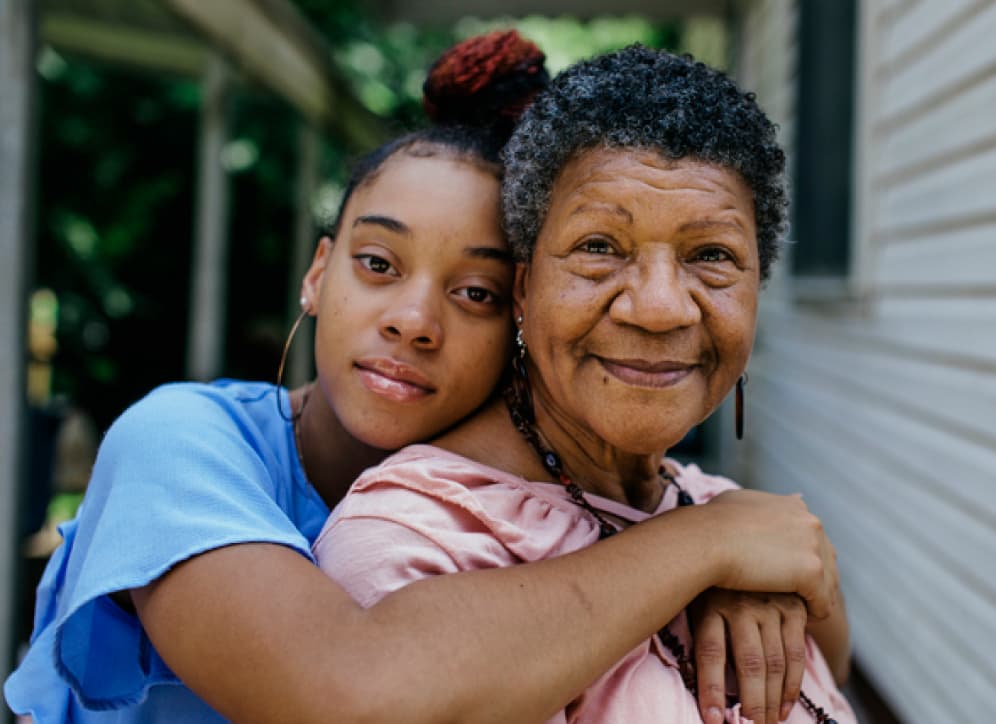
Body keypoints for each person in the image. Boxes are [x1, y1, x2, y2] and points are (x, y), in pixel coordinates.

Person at [5, 34, 840, 724]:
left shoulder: (567, 494)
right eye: (377, 263)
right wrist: (709, 543)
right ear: (317, 273)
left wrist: (746, 580)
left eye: (473, 291)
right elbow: (348, 689)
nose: (413, 319)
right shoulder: (186, 443)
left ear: (520, 309)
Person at [314, 45, 855, 724]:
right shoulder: (419, 539)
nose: (659, 308)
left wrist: (759, 567)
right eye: (599, 247)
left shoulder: (729, 511)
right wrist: (710, 550)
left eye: (712, 255)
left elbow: (832, 665)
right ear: (523, 289)